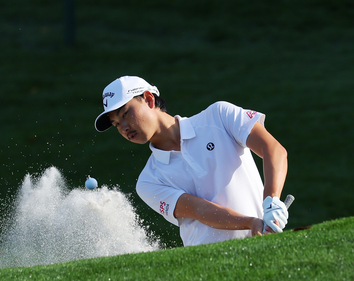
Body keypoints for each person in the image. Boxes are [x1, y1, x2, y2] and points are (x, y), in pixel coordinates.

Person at [94, 75, 289, 246]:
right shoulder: (148, 181)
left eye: (126, 113)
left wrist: (272, 201)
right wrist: (251, 222)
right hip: (206, 268)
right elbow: (200, 210)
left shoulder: (219, 116)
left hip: (263, 249)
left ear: (148, 99)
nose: (124, 127)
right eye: (117, 124)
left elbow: (272, 149)